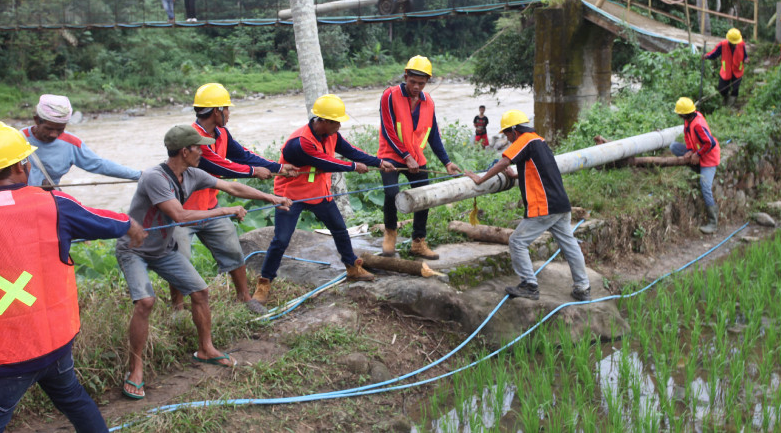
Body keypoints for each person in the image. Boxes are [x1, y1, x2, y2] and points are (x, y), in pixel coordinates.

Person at [0, 122, 146, 431]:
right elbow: (101, 219)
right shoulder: (56, 203)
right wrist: (129, 223)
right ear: (22, 165)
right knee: (72, 398)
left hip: (4, 355)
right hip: (55, 339)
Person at [116, 125, 290, 400]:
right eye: (199, 147)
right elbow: (179, 215)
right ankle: (135, 369)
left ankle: (206, 349)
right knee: (145, 302)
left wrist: (271, 197)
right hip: (134, 249)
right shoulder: (154, 177)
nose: (203, 151)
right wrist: (225, 210)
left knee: (200, 292)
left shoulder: (192, 174)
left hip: (163, 248)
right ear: (185, 151)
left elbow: (230, 185)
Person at [252, 94, 397, 304]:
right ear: (323, 121)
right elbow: (326, 162)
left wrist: (378, 162)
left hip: (319, 192)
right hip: (291, 195)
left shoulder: (332, 135)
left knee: (339, 228)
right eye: (336, 122)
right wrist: (354, 167)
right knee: (281, 239)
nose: (339, 125)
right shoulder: (300, 143)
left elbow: (351, 152)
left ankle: (352, 267)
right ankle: (264, 283)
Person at [170, 83, 299, 315]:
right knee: (179, 259)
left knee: (232, 250)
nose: (229, 114)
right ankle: (177, 309)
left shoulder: (222, 134)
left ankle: (245, 298)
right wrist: (253, 172)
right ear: (217, 110)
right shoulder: (192, 137)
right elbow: (221, 166)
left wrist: (278, 167)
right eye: (227, 109)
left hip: (210, 207)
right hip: (182, 212)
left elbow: (242, 155)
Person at [465, 111, 590, 302]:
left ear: (514, 130)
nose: (507, 138)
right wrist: (516, 176)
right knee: (569, 244)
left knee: (517, 241)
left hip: (544, 206)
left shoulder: (524, 140)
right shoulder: (539, 140)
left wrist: (480, 179)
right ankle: (583, 287)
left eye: (507, 134)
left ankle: (529, 285)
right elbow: (538, 169)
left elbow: (504, 161)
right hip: (560, 203)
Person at [377, 56, 462, 259]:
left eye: (421, 84)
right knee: (391, 195)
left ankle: (418, 242)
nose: (416, 87)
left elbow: (433, 135)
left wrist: (447, 162)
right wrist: (405, 157)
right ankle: (390, 233)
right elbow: (388, 130)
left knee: (424, 198)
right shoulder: (389, 96)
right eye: (412, 82)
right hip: (391, 155)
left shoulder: (428, 102)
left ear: (427, 82)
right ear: (405, 76)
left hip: (416, 158)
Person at [22, 94, 141, 188]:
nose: (54, 134)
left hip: (49, 200)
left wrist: (140, 175)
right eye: (48, 129)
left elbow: (99, 164)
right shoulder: (16, 139)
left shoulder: (71, 144)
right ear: (36, 120)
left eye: (60, 129)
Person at [671, 97, 721, 234]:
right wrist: (689, 151)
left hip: (708, 159)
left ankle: (713, 222)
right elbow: (687, 137)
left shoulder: (697, 123)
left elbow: (710, 143)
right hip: (698, 154)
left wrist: (698, 154)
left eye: (679, 113)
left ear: (684, 114)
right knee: (674, 147)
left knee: (704, 186)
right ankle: (695, 165)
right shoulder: (688, 121)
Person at [703, 28, 747, 107]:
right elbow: (714, 54)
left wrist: (746, 59)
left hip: (737, 70)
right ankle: (726, 97)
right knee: (722, 89)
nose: (735, 44)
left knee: (735, 88)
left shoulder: (741, 44)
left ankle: (731, 104)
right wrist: (707, 56)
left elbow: (745, 55)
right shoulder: (722, 45)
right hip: (726, 70)